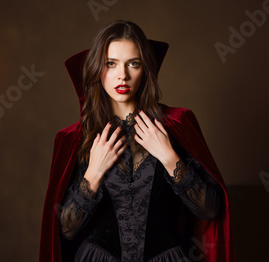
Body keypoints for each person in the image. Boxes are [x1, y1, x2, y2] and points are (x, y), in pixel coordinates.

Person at [39, 20, 234, 262]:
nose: (123, 75)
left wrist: (168, 156)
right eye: (111, 64)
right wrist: (94, 172)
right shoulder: (76, 138)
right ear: (97, 69)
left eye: (133, 63)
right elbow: (65, 231)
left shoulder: (176, 125)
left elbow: (211, 210)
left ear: (146, 70)